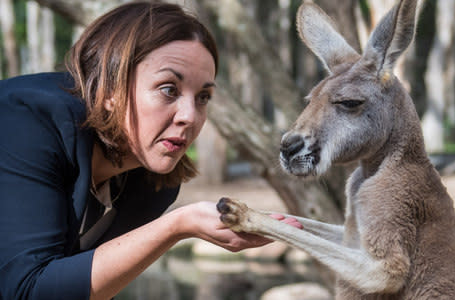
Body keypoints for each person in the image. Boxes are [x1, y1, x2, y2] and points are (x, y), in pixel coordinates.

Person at [0, 2, 302, 300]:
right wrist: (177, 225)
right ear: (110, 89)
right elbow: (28, 289)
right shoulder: (25, 121)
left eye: (203, 97)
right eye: (169, 89)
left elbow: (82, 289)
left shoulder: (152, 184)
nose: (190, 116)